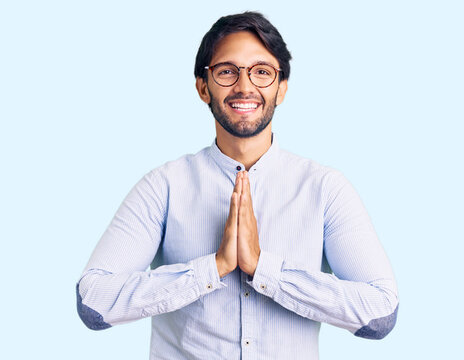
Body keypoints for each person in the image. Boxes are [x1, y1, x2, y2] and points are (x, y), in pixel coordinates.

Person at [76, 12, 398, 359]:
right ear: (203, 87)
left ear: (282, 87)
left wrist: (266, 270)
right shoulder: (163, 187)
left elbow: (380, 314)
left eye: (262, 72)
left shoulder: (324, 189)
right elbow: (93, 303)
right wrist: (211, 268)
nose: (245, 87)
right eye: (227, 71)